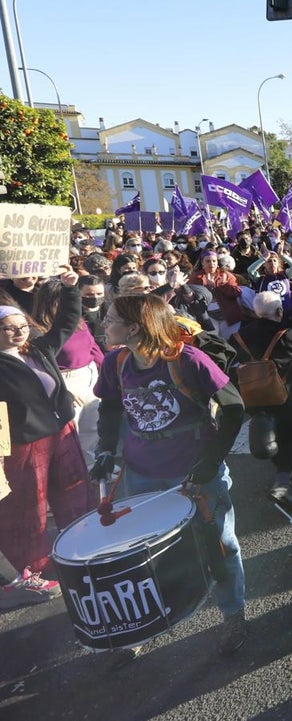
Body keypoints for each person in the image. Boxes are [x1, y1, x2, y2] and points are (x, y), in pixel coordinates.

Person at [92, 294, 248, 663]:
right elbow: (110, 407)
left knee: (219, 546)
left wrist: (211, 461)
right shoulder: (116, 362)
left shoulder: (187, 359)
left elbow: (234, 406)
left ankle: (232, 615)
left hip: (194, 476)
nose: (104, 325)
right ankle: (142, 625)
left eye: (110, 319)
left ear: (134, 327)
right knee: (143, 555)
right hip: (142, 477)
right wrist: (104, 448)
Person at [0, 271, 91, 608]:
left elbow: (68, 320)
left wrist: (71, 289)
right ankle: (34, 571)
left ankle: (83, 547)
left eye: (20, 324)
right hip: (24, 445)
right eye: (7, 326)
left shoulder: (39, 347)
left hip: (62, 432)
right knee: (27, 511)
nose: (17, 330)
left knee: (76, 492)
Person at [228, 291, 292, 503]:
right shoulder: (291, 335)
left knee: (268, 432)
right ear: (279, 311)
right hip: (286, 397)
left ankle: (279, 469)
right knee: (291, 437)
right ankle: (282, 479)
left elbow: (229, 365)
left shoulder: (238, 336)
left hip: (253, 397)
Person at [31, 278, 105, 465]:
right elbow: (38, 366)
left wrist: (106, 369)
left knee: (92, 427)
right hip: (66, 380)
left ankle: (89, 466)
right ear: (51, 302)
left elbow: (92, 346)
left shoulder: (78, 322)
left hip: (89, 376)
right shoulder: (40, 331)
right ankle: (72, 472)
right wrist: (61, 390)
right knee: (72, 432)